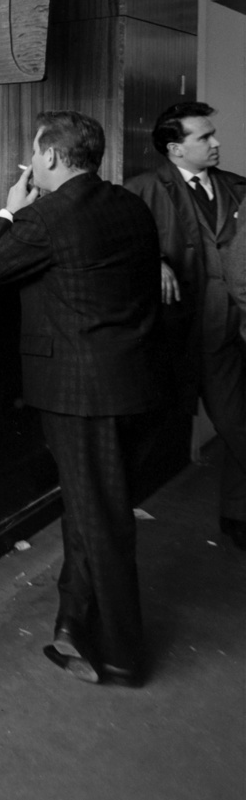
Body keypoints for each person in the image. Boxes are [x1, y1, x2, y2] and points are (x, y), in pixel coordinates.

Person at [0, 112, 163, 687]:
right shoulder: (129, 204)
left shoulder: (46, 217)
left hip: (82, 396)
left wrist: (7, 210)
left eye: (35, 153)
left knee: (99, 520)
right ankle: (73, 625)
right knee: (91, 509)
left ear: (49, 157)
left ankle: (123, 654)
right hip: (136, 383)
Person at [125, 102, 246, 551]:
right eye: (204, 137)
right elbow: (120, 245)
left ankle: (238, 514)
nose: (216, 144)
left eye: (213, 135)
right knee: (145, 435)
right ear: (175, 149)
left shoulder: (237, 188)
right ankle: (114, 525)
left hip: (224, 330)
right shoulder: (140, 191)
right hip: (169, 336)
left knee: (237, 426)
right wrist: (151, 260)